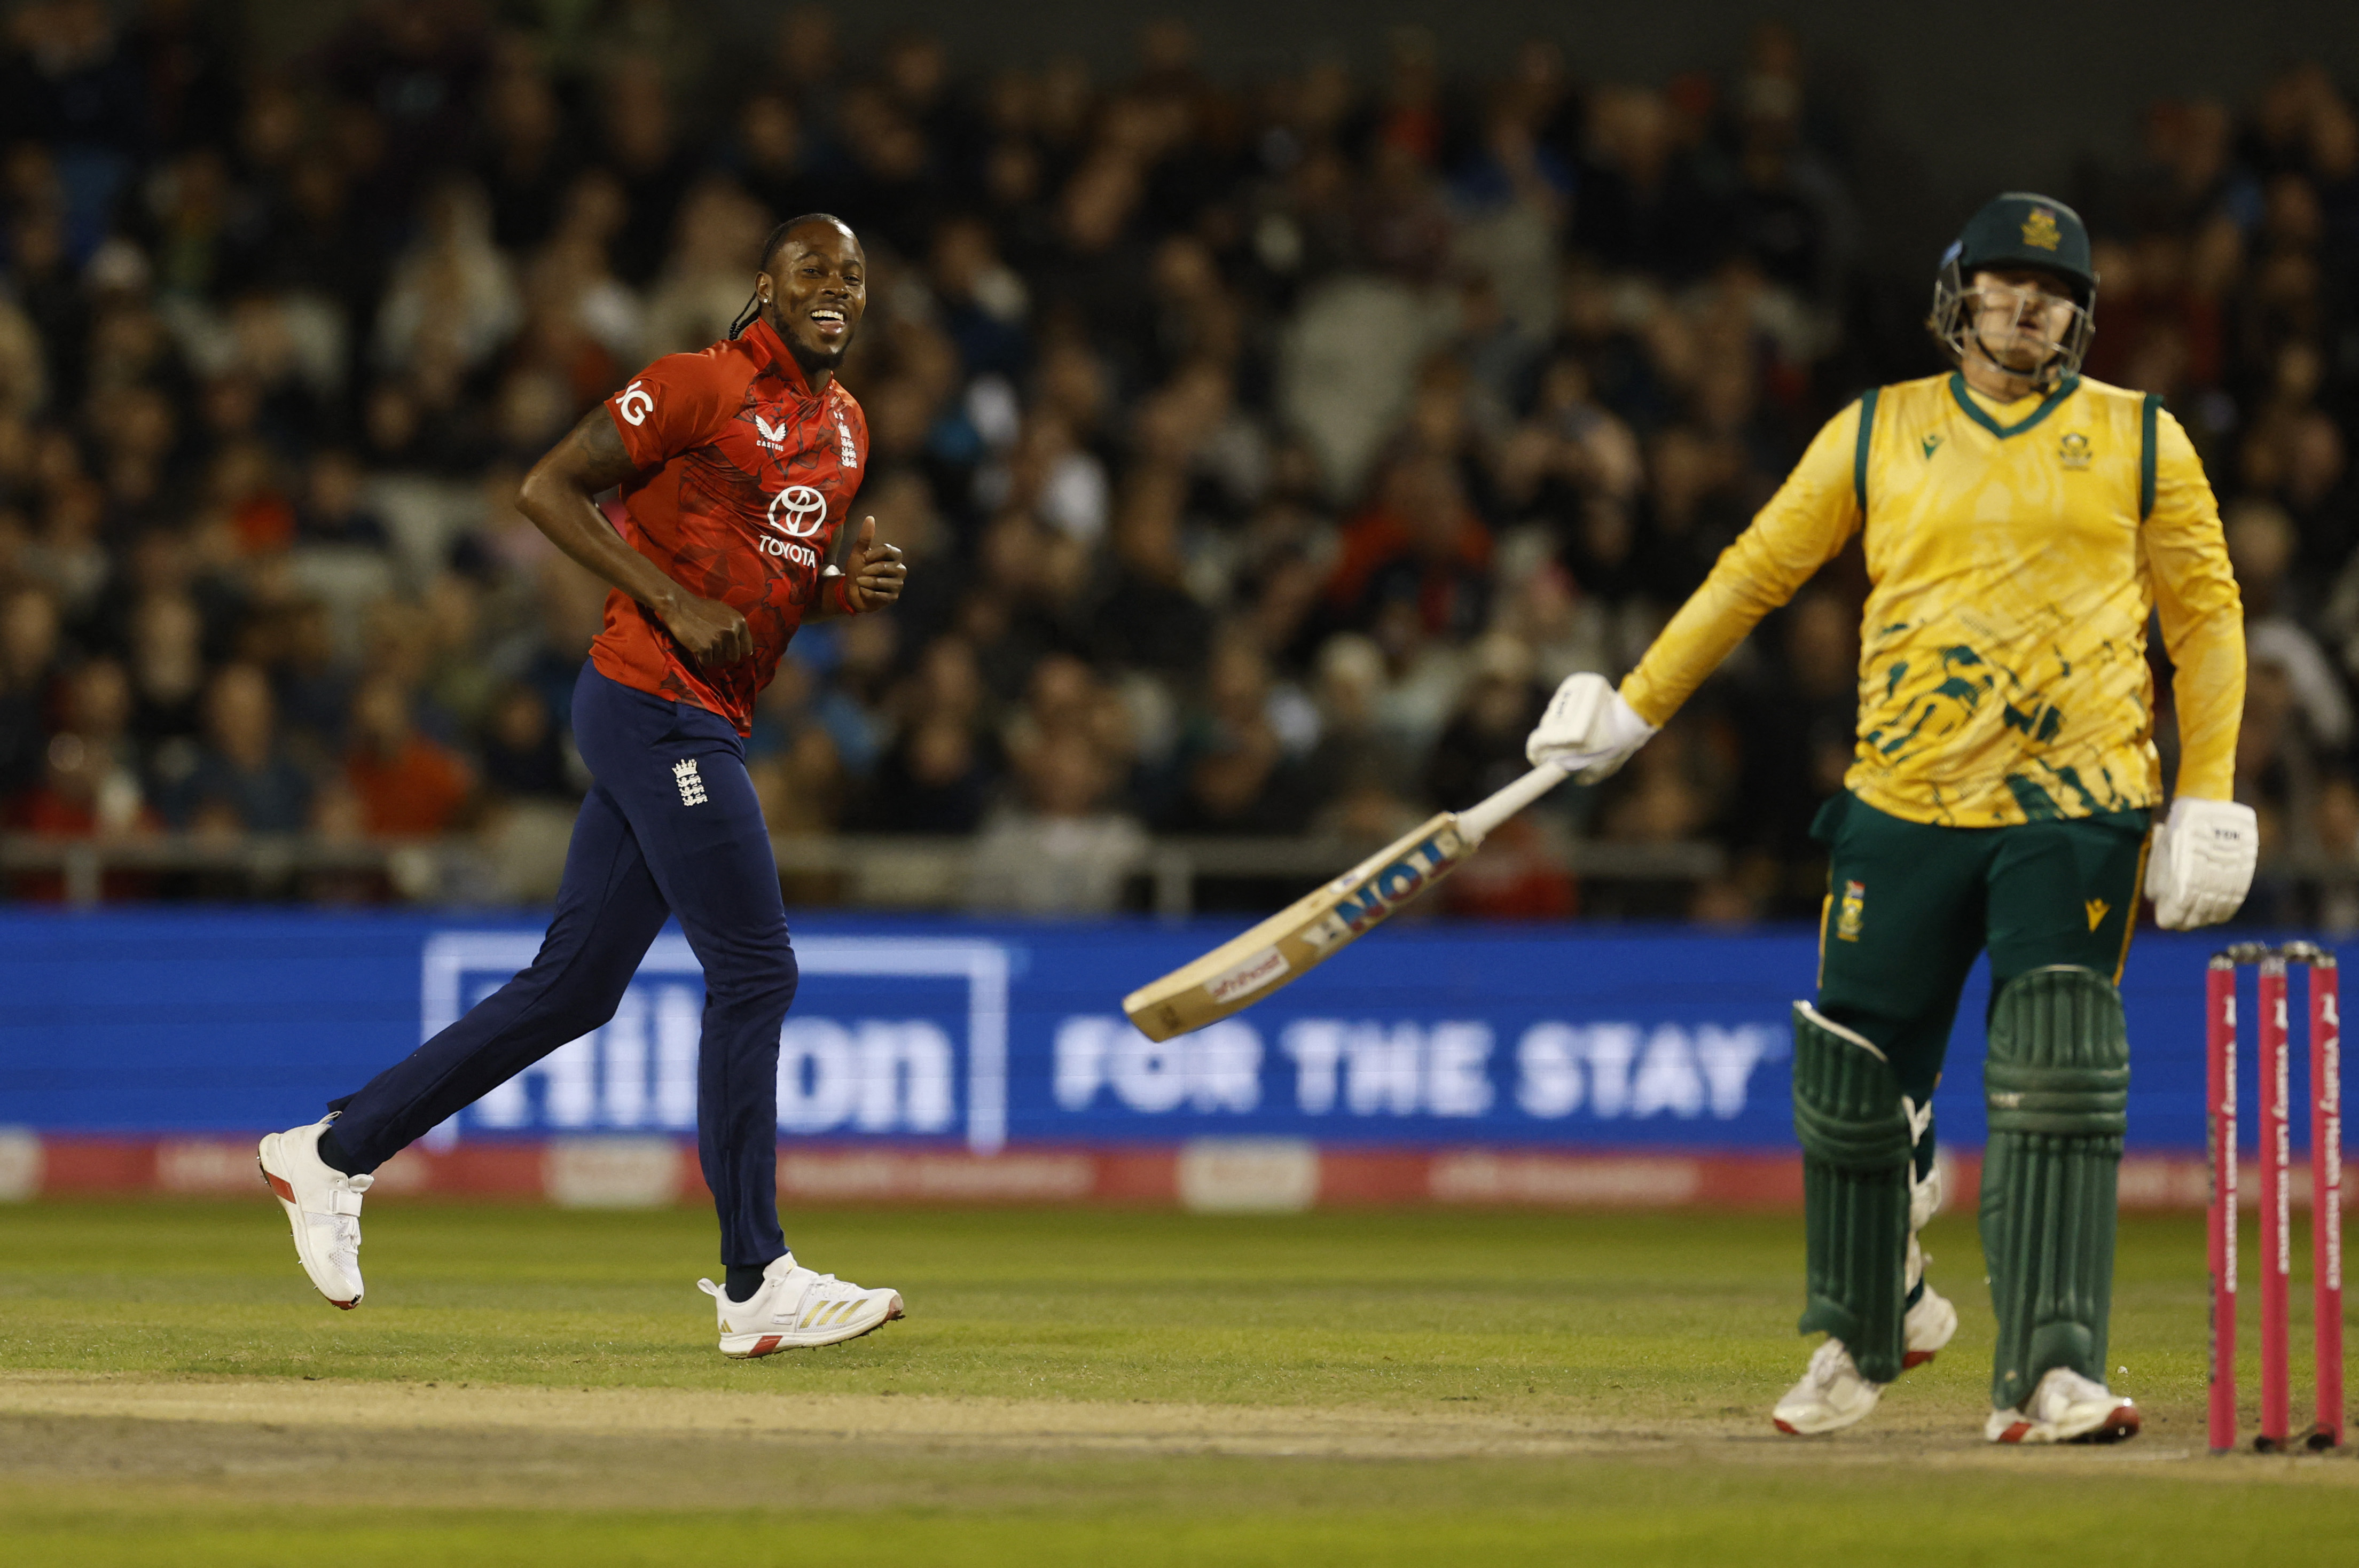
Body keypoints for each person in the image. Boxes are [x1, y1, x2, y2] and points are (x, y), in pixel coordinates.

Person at [1525, 193, 2252, 1445]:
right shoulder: (1877, 430)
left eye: (2056, 288)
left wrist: (2207, 789)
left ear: (2081, 315)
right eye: (2006, 281)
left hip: (2074, 809)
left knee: (2057, 1077)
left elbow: (2205, 618)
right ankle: (1867, 1335)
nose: (2030, 304)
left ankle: (2051, 1371)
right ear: (1955, 294)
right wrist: (1635, 708)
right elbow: (1755, 570)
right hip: (1898, 805)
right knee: (1858, 1087)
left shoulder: (2142, 439)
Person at [259, 215, 913, 1358]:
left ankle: (328, 1154)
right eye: (812, 269)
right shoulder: (698, 384)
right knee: (757, 970)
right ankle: (758, 1279)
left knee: (572, 991)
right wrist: (667, 601)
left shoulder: (848, 429)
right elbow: (545, 489)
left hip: (698, 714)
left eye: (853, 276)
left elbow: (766, 580)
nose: (836, 289)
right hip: (649, 701)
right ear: (765, 287)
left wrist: (842, 594)